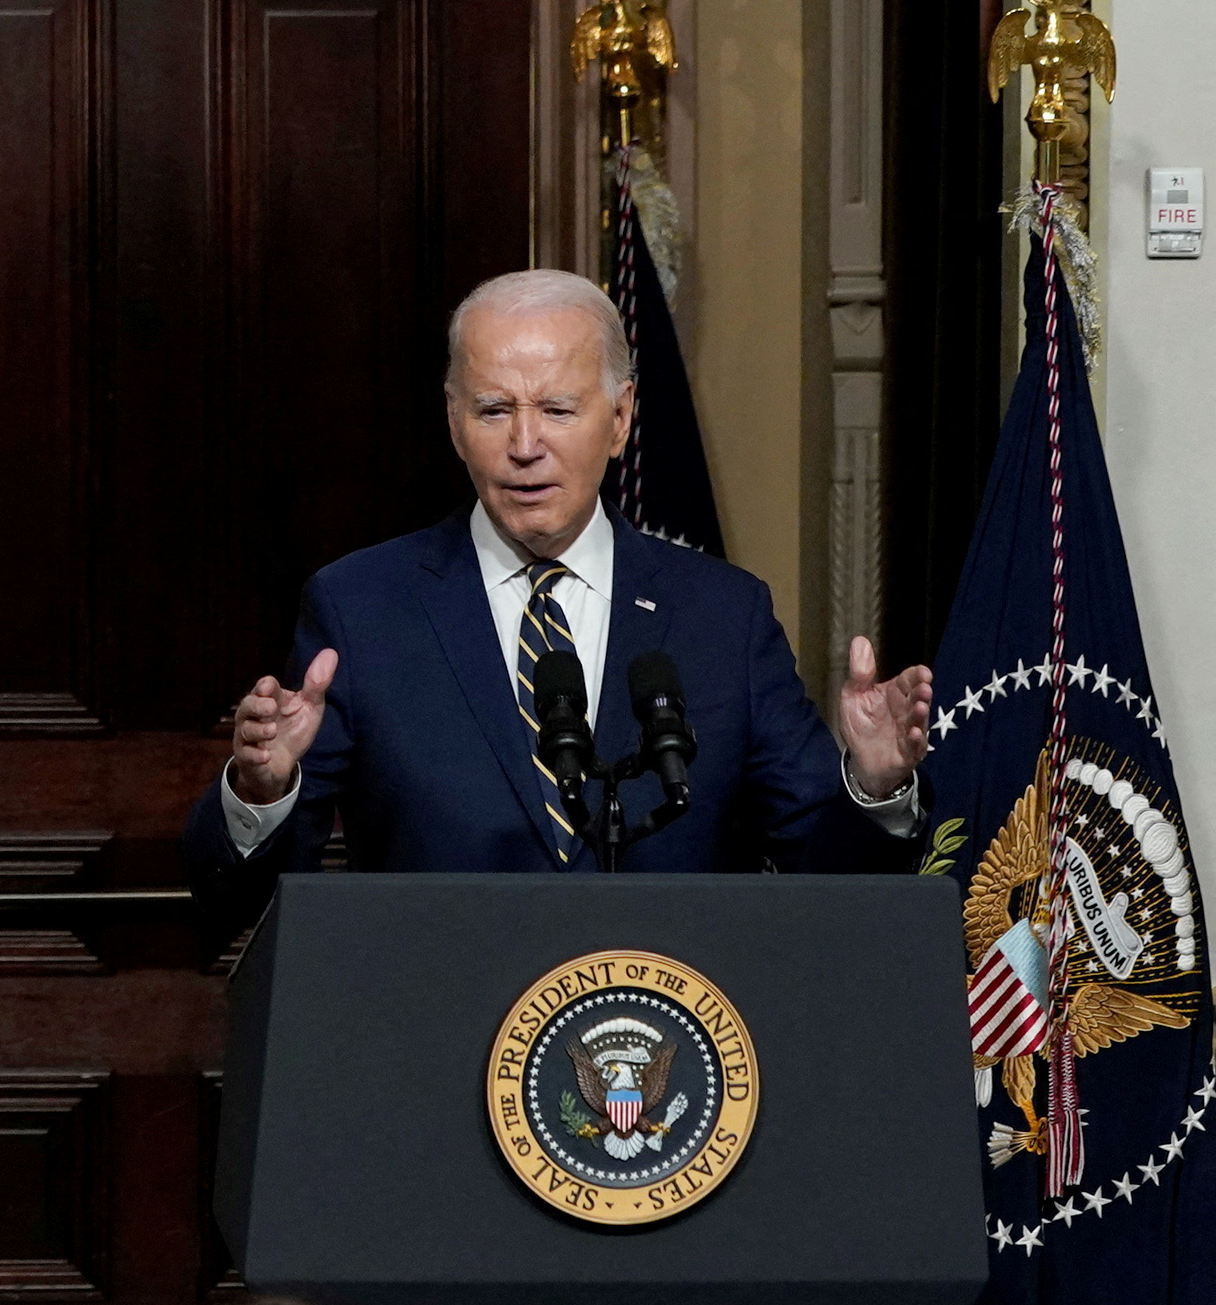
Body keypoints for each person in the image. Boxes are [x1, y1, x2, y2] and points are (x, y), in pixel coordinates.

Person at [183, 268, 932, 911]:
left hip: (674, 1047)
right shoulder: (363, 607)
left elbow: (832, 879)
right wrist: (260, 793)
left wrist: (871, 785)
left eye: (558, 409)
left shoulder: (722, 617)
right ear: (453, 420)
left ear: (621, 418)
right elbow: (238, 901)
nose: (524, 445)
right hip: (439, 1047)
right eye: (494, 409)